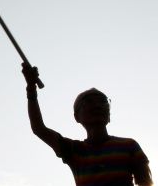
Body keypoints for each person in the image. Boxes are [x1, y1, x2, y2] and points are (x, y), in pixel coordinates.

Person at [22, 63, 152, 186]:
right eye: (88, 102)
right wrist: (31, 88)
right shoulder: (74, 150)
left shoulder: (129, 146)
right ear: (76, 117)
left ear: (109, 115)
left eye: (102, 102)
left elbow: (145, 182)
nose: (97, 106)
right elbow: (39, 128)